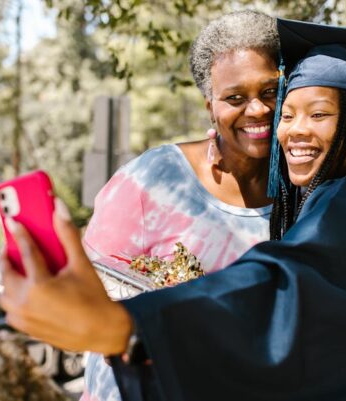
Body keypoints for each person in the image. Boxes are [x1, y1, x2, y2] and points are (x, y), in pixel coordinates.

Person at [0, 18, 346, 401]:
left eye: (318, 114)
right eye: (291, 114)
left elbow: (287, 291)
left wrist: (132, 330)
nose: (293, 129)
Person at [79, 10, 279, 401]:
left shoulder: (304, 192)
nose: (257, 109)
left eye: (269, 91)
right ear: (210, 107)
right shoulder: (152, 180)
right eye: (235, 98)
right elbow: (90, 301)